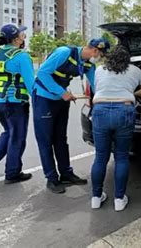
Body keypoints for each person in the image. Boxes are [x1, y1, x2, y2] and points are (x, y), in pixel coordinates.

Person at [33, 38, 110, 194]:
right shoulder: (64, 53)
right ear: (95, 50)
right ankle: (52, 179)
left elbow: (96, 86)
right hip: (44, 99)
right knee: (46, 140)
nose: (101, 58)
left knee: (61, 139)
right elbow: (42, 73)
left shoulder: (88, 64)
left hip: (62, 100)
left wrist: (104, 100)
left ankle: (66, 173)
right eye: (101, 54)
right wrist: (62, 93)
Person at [90, 45, 141, 210]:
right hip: (124, 110)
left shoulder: (99, 70)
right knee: (122, 156)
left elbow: (98, 90)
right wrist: (132, 93)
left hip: (100, 110)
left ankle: (96, 197)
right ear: (128, 58)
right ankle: (119, 199)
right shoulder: (135, 70)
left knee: (100, 156)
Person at [0, 24, 35, 184]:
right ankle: (12, 173)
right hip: (14, 102)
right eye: (22, 35)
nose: (24, 37)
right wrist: (40, 102)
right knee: (17, 137)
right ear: (16, 39)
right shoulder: (22, 56)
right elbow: (31, 84)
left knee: (9, 132)